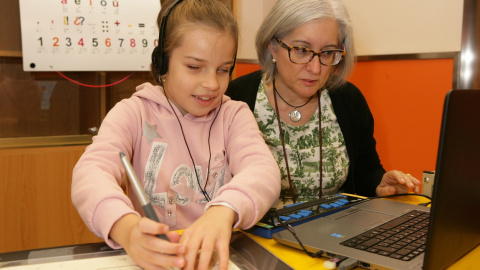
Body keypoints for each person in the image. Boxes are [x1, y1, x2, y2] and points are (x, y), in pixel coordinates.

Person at [72, 0, 280, 269]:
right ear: (162, 62)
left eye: (223, 69)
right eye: (195, 67)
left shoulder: (234, 115)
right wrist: (125, 228)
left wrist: (224, 210)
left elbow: (263, 170)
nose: (212, 84)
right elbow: (90, 172)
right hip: (156, 260)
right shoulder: (133, 113)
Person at [226, 0, 421, 209]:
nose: (316, 68)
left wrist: (380, 184)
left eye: (327, 52)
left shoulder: (348, 99)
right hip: (259, 236)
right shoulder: (237, 98)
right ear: (273, 47)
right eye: (302, 50)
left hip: (334, 235)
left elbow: (366, 173)